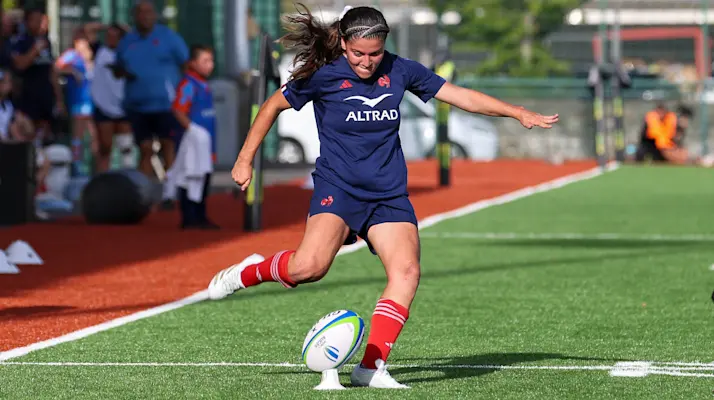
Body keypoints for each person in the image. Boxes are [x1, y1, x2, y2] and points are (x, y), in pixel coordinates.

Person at [207, 5, 558, 389]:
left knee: (406, 273)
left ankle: (371, 367)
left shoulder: (401, 69)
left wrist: (515, 112)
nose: (367, 62)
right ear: (343, 43)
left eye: (374, 54)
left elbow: (459, 96)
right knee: (308, 267)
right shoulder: (323, 75)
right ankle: (248, 271)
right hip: (338, 188)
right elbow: (273, 105)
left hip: (388, 193)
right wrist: (244, 159)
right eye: (358, 53)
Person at [113, 0, 188, 196]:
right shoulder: (127, 41)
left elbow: (185, 63)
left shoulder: (168, 37)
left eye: (148, 12)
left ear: (154, 15)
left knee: (168, 147)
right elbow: (119, 67)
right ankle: (143, 194)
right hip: (137, 105)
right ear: (134, 16)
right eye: (140, 12)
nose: (145, 16)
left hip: (165, 104)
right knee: (145, 149)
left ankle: (171, 192)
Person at [168, 45, 219, 230]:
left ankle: (200, 215)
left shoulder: (203, 84)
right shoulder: (188, 84)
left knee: (204, 177)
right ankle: (189, 217)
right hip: (191, 143)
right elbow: (178, 109)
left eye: (211, 61)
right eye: (205, 61)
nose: (210, 65)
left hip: (206, 143)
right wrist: (192, 130)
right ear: (192, 63)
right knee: (189, 176)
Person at [10, 7, 64, 144]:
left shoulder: (47, 42)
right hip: (27, 97)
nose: (39, 24)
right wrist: (35, 50)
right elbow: (19, 65)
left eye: (41, 21)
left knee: (46, 136)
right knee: (28, 134)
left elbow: (52, 72)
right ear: (27, 22)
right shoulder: (20, 41)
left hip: (45, 95)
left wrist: (59, 99)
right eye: (35, 21)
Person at [90, 23, 135, 172]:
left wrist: (123, 28)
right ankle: (102, 179)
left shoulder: (128, 52)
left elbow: (135, 37)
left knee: (126, 146)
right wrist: (106, 26)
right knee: (105, 146)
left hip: (124, 105)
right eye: (108, 36)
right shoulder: (99, 51)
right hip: (104, 105)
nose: (111, 39)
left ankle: (127, 179)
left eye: (115, 36)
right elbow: (88, 30)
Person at [55, 29, 97, 177]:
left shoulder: (89, 57)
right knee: (77, 136)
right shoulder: (71, 55)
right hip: (78, 102)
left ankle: (94, 168)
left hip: (92, 103)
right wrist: (72, 71)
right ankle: (77, 166)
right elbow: (57, 67)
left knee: (94, 136)